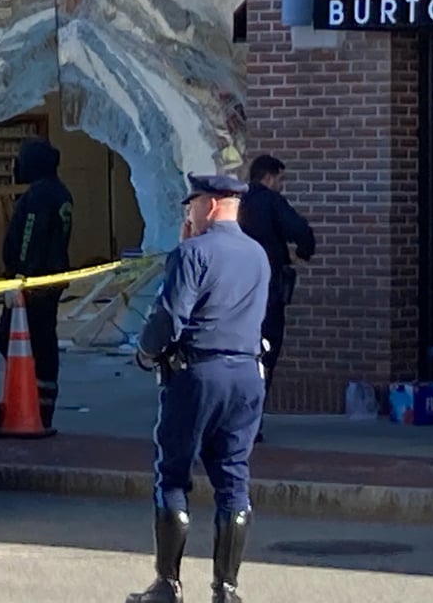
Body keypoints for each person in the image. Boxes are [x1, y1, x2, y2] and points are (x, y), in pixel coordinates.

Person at [127, 173, 270, 603]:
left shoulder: (192, 253)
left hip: (198, 373)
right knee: (233, 479)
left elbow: (170, 318)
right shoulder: (258, 254)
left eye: (190, 205)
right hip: (247, 374)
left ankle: (167, 585)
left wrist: (146, 352)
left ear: (207, 205)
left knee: (173, 475)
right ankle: (226, 589)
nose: (187, 214)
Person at [237, 154, 316, 442]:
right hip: (267, 293)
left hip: (234, 295)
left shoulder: (236, 203)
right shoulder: (271, 201)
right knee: (265, 355)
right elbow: (301, 231)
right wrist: (304, 253)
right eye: (279, 179)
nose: (280, 185)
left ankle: (232, 420)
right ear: (269, 177)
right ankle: (252, 423)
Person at [0, 137, 73, 430]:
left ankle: (31, 400)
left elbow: (30, 236)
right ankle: (43, 399)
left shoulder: (39, 196)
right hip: (51, 279)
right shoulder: (61, 193)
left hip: (33, 282)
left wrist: (20, 276)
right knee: (44, 339)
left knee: (15, 338)